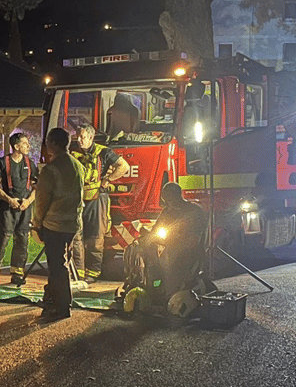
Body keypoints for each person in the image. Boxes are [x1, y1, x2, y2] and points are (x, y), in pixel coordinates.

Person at [120, 182, 207, 305]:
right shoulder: (166, 212)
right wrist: (146, 235)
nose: (168, 202)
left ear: (177, 195)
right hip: (170, 246)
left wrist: (185, 240)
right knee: (141, 250)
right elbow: (156, 230)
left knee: (171, 265)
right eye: (166, 199)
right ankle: (146, 283)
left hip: (189, 250)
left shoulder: (193, 210)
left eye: (170, 198)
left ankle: (171, 291)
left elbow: (196, 234)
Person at [31, 127, 85, 321]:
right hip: (72, 224)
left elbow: (42, 202)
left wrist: (36, 224)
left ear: (53, 144)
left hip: (54, 225)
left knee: (57, 266)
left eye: (47, 143)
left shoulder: (50, 170)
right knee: (64, 261)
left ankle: (62, 306)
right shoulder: (78, 166)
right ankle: (51, 298)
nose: (46, 147)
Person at [70, 124, 129, 283]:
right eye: (78, 137)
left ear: (91, 138)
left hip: (97, 199)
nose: (79, 140)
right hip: (78, 199)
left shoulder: (103, 152)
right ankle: (79, 273)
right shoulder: (73, 151)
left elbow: (124, 166)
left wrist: (107, 180)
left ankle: (93, 272)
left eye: (82, 137)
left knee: (95, 237)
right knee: (77, 237)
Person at [0, 132, 38, 286]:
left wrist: (28, 201)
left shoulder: (30, 163)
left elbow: (36, 187)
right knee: (3, 238)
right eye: (25, 143)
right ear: (16, 146)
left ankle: (17, 273)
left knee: (22, 239)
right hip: (7, 207)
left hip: (25, 208)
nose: (28, 146)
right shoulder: (2, 163)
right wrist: (9, 199)